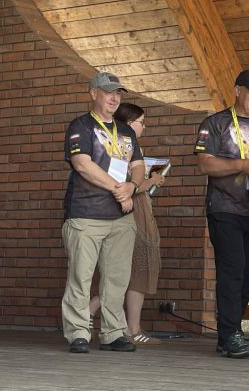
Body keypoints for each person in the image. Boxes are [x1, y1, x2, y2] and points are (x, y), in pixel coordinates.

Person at [194, 69, 249, 359]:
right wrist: (243, 165)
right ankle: (230, 333)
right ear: (237, 90)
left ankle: (228, 333)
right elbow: (205, 165)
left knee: (247, 274)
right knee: (231, 271)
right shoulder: (215, 123)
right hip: (225, 208)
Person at [61, 72, 143, 353]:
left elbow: (139, 165)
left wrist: (132, 186)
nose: (115, 97)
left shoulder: (127, 131)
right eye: (108, 92)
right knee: (81, 277)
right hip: (86, 215)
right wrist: (119, 189)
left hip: (121, 218)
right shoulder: (80, 126)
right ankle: (78, 333)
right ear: (93, 93)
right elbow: (82, 164)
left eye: (118, 93)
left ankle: (113, 333)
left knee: (116, 279)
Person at [87, 103, 166, 345]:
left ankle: (130, 326)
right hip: (129, 214)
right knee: (129, 271)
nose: (144, 126)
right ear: (130, 123)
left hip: (137, 211)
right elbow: (122, 184)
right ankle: (92, 314)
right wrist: (151, 180)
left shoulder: (129, 148)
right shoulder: (120, 148)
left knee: (131, 272)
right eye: (141, 121)